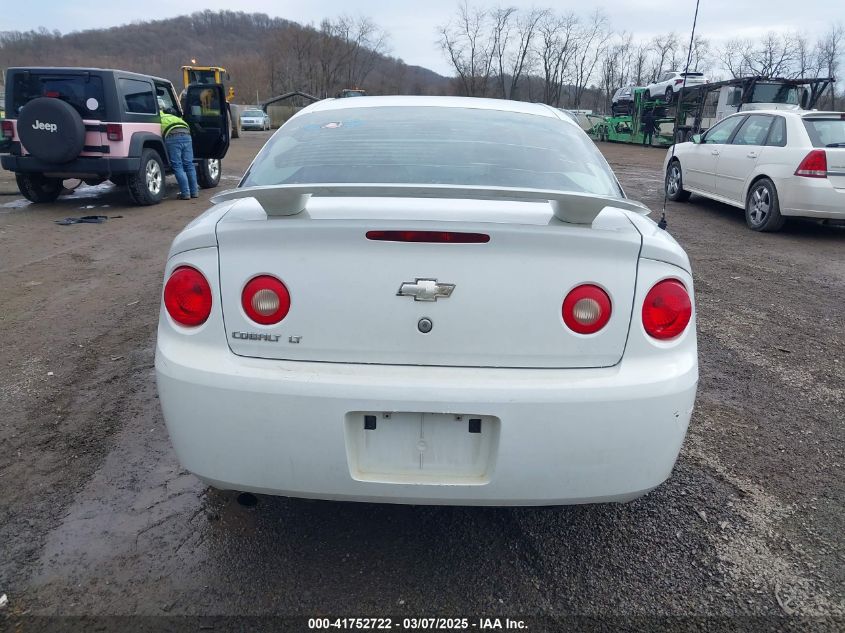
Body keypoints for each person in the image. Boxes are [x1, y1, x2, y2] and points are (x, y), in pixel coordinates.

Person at [159, 99, 198, 200]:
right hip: (186, 134)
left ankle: (185, 193)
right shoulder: (173, 116)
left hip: (173, 136)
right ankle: (194, 192)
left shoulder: (157, 116)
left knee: (178, 165)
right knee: (189, 164)